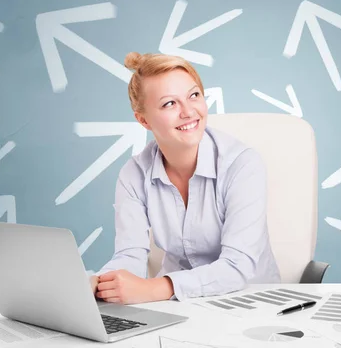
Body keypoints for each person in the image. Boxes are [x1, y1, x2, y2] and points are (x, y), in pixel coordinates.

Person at [89, 52, 281, 304]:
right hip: (180, 308)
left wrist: (158, 288)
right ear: (143, 120)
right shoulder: (134, 173)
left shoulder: (242, 164)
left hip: (251, 304)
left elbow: (237, 267)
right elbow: (130, 256)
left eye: (194, 95)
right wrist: (97, 284)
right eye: (170, 103)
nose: (189, 111)